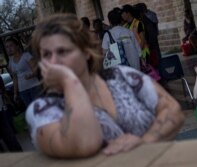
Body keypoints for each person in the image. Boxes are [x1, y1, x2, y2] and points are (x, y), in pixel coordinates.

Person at [26, 13, 184, 158]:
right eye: (46, 55)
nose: (54, 62)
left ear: (86, 52)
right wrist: (70, 82)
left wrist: (144, 142)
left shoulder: (122, 76)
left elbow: (173, 110)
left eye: (63, 51)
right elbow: (85, 143)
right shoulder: (43, 109)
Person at [5, 37, 41, 107]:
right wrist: (15, 93)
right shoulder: (10, 62)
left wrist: (31, 75)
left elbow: (36, 70)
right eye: (7, 47)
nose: (9, 49)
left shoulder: (26, 56)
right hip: (23, 91)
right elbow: (15, 78)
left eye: (11, 46)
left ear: (17, 46)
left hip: (34, 87)